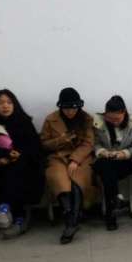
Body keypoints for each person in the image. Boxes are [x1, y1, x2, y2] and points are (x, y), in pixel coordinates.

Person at [0, 89, 44, 239]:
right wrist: (2, 155)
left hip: (23, 163)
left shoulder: (24, 121)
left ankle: (7, 210)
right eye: (1, 103)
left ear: (14, 104)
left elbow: (34, 145)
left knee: (16, 171)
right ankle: (13, 214)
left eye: (9, 102)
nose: (5, 106)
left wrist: (19, 153)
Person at [40, 88, 98, 244]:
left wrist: (75, 159)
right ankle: (70, 217)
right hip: (57, 157)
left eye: (74, 108)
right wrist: (61, 140)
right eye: (66, 108)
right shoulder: (50, 119)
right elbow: (44, 144)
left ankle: (73, 220)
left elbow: (89, 143)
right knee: (58, 179)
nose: (70, 111)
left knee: (78, 180)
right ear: (61, 107)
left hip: (81, 157)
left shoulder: (87, 119)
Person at [92, 95, 132, 231]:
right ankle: (115, 201)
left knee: (108, 173)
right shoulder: (98, 122)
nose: (114, 122)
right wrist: (103, 152)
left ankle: (111, 211)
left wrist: (123, 154)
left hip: (127, 161)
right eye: (110, 118)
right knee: (107, 168)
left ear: (124, 113)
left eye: (117, 119)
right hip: (105, 159)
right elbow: (95, 144)